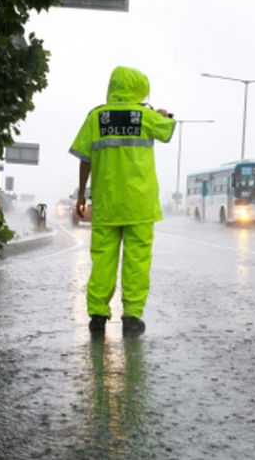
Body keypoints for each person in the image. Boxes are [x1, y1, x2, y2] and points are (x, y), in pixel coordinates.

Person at [69, 66, 175, 337]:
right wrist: (163, 114)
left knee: (103, 259)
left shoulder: (96, 117)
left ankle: (98, 315)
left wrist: (82, 194)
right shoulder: (145, 116)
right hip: (139, 204)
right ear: (139, 89)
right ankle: (132, 315)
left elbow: (85, 158)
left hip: (106, 203)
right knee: (137, 261)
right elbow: (167, 130)